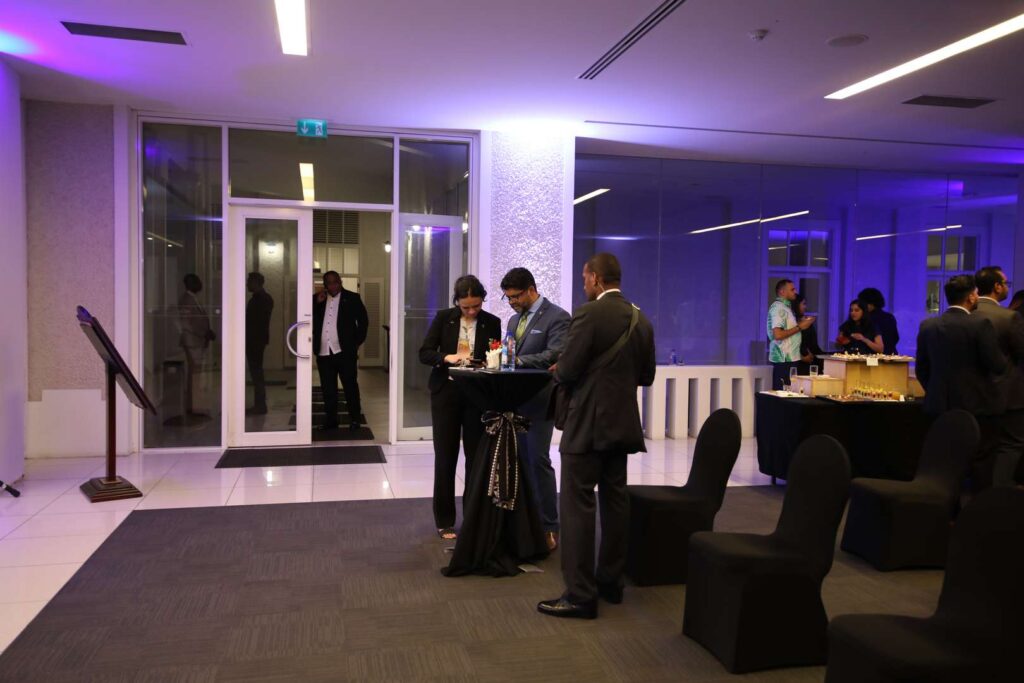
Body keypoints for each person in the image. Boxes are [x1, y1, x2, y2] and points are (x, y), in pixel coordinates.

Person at [537, 253, 656, 620]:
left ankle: (580, 595)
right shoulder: (640, 318)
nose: (584, 284)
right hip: (622, 424)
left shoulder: (589, 314)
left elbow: (568, 370)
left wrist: (561, 369)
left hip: (587, 424)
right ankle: (610, 583)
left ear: (596, 279)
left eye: (585, 279)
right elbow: (647, 376)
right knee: (615, 502)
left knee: (577, 506)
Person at [419, 275, 502, 540]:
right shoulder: (444, 318)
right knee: (445, 456)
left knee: (476, 458)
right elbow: (425, 352)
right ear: (457, 302)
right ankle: (445, 520)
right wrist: (447, 357)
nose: (472, 311)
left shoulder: (492, 322)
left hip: (476, 395)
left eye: (476, 305)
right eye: (466, 307)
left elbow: (496, 355)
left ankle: (473, 517)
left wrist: (488, 362)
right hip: (446, 393)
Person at [500, 267, 571, 552]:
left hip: (541, 401)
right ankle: (524, 523)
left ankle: (549, 525)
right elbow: (508, 352)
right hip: (514, 400)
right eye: (508, 298)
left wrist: (517, 361)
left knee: (538, 461)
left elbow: (554, 354)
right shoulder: (513, 319)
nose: (512, 302)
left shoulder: (558, 316)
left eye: (516, 296)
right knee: (518, 462)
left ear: (531, 289)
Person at [916, 275, 1006, 491]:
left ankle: (945, 506)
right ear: (971, 297)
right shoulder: (980, 324)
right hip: (977, 407)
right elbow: (997, 365)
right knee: (980, 464)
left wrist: (936, 390)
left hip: (939, 405)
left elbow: (921, 369)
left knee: (943, 463)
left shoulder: (928, 325)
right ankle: (978, 508)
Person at [973, 266, 1024, 488]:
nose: (1007, 288)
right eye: (1006, 283)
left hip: (973, 396)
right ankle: (999, 495)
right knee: (1011, 445)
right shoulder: (1010, 317)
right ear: (997, 286)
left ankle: (981, 495)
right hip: (1009, 397)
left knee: (980, 449)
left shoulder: (967, 315)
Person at [312, 271, 369, 431]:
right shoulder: (317, 299)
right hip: (324, 353)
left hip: (345, 353)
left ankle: (355, 419)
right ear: (325, 285)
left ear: (340, 282)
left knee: (350, 387)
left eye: (335, 282)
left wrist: (356, 343)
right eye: (329, 283)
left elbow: (363, 321)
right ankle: (331, 421)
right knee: (328, 389)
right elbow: (307, 318)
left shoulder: (352, 298)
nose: (333, 286)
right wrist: (316, 302)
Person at [178, 273, 215, 417]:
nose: (200, 284)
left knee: (197, 375)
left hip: (198, 341)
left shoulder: (193, 298)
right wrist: (204, 333)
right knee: (194, 375)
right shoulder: (186, 300)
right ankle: (193, 407)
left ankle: (196, 406)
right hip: (192, 342)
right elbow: (187, 324)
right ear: (190, 284)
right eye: (197, 282)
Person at [767, 279, 814, 389]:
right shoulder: (778, 308)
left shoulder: (786, 308)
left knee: (790, 393)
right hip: (783, 360)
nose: (795, 292)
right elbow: (778, 335)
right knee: (783, 393)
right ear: (782, 292)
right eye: (792, 289)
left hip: (789, 359)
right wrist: (800, 326)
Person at [245, 272, 274, 415]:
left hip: (255, 340)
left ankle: (260, 405)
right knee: (256, 372)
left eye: (249, 281)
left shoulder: (261, 299)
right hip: (256, 340)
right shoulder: (262, 298)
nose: (247, 284)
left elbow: (257, 322)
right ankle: (260, 404)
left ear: (256, 282)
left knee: (256, 373)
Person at [858, 287, 900, 354]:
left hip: (872, 356)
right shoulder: (889, 317)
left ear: (871, 304)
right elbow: (895, 338)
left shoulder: (866, 318)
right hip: (890, 354)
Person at [794, 292, 824, 375]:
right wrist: (802, 357)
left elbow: (813, 345)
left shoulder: (808, 323)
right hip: (796, 364)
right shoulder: (790, 323)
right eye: (803, 304)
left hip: (810, 361)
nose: (805, 307)